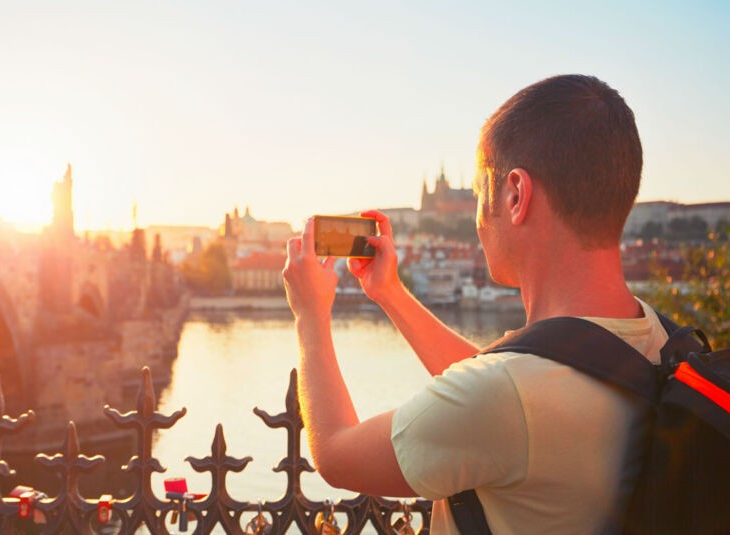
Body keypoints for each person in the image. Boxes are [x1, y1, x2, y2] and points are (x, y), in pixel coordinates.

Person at [282, 74, 664, 534]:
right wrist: (390, 293)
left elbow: (338, 455)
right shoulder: (659, 339)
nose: (477, 218)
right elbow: (504, 382)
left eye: (482, 194)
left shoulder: (506, 398)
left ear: (516, 195)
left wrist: (309, 315)